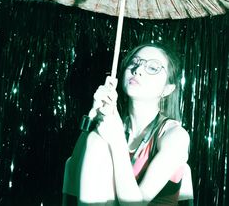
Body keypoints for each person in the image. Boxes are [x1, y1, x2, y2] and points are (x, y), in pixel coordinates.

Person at [62, 42, 194, 206]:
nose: (137, 70)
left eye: (153, 68)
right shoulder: (111, 127)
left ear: (167, 89)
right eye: (135, 62)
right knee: (96, 140)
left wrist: (117, 142)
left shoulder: (176, 137)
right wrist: (94, 115)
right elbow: (73, 183)